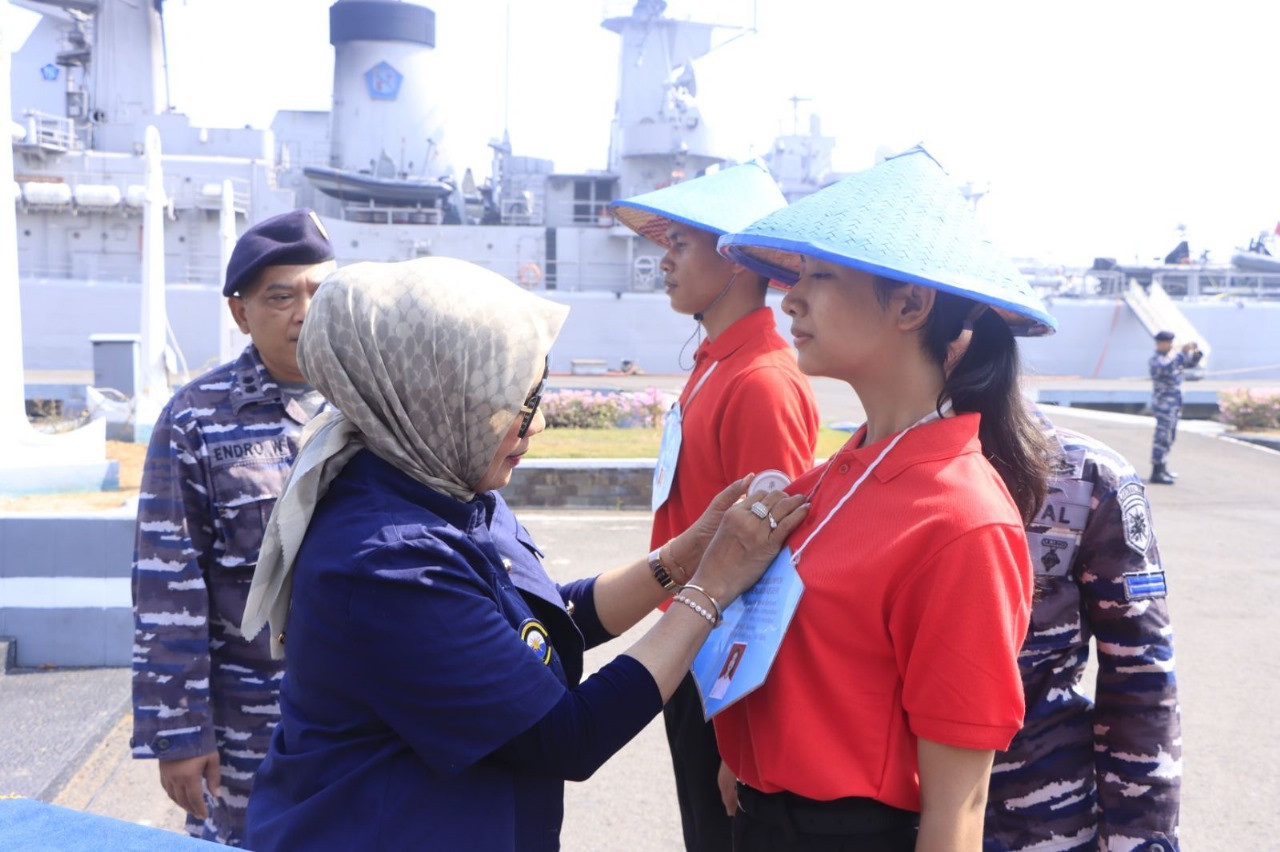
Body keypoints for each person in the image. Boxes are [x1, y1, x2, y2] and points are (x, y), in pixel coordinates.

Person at [237, 256, 810, 851]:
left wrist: (680, 561)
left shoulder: (442, 478)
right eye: (516, 401)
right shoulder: (390, 562)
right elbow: (569, 736)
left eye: (536, 395)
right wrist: (709, 589)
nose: (533, 427)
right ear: (437, 397)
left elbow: (532, 620)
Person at [714, 145, 1057, 851]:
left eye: (820, 275)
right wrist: (746, 755)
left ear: (910, 305)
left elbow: (958, 807)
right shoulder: (832, 478)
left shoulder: (962, 520)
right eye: (796, 275)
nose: (789, 298)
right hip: (762, 819)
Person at [611, 161, 820, 852]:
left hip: (718, 670)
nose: (664, 261)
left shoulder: (761, 381)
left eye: (681, 244)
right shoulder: (718, 364)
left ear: (734, 258)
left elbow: (771, 565)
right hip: (689, 647)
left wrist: (740, 730)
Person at [130, 209, 337, 845]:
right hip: (252, 726)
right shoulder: (195, 420)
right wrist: (178, 733)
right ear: (240, 313)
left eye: (320, 292)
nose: (304, 312)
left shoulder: (374, 404)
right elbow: (168, 586)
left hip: (361, 718)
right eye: (280, 297)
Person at [984, 409, 1181, 851]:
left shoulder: (1086, 473)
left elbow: (1140, 674)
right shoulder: (857, 474)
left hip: (1037, 823)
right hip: (877, 819)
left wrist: (1138, 843)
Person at [1148, 330, 1202, 484]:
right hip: (1164, 406)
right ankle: (1156, 471)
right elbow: (1167, 368)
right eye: (1168, 343)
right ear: (1160, 343)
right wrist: (1182, 352)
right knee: (1161, 438)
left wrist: (1196, 353)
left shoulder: (1170, 358)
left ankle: (1163, 467)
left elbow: (1189, 363)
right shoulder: (1156, 360)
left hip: (1174, 405)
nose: (1171, 346)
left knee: (1169, 437)